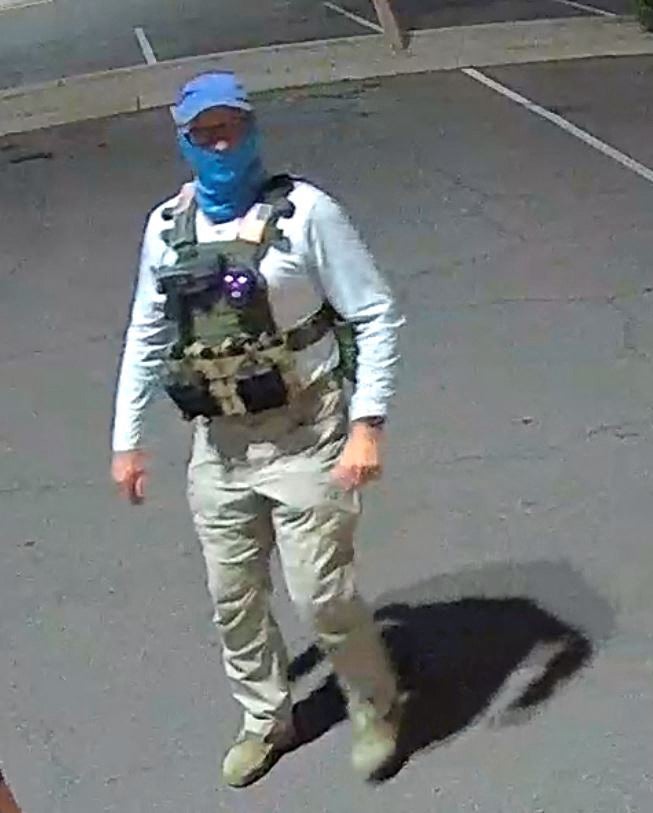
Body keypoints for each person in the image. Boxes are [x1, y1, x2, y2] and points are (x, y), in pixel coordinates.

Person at [110, 71, 405, 788]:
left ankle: (376, 700)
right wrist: (127, 437)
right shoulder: (166, 227)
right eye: (202, 132)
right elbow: (147, 332)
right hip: (220, 446)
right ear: (183, 141)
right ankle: (266, 717)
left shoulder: (306, 213)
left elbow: (374, 313)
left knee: (321, 596)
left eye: (229, 127)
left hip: (308, 433)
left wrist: (367, 423)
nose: (218, 142)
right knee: (232, 597)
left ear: (251, 129)